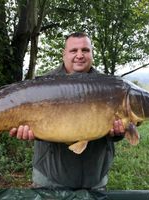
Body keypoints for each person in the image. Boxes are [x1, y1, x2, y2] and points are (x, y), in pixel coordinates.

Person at [10, 32, 125, 190]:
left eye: (85, 50)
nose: (79, 55)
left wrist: (118, 133)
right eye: (73, 51)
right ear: (64, 54)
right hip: (50, 178)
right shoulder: (43, 85)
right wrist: (30, 133)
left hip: (94, 178)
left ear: (92, 53)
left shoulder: (110, 86)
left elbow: (118, 130)